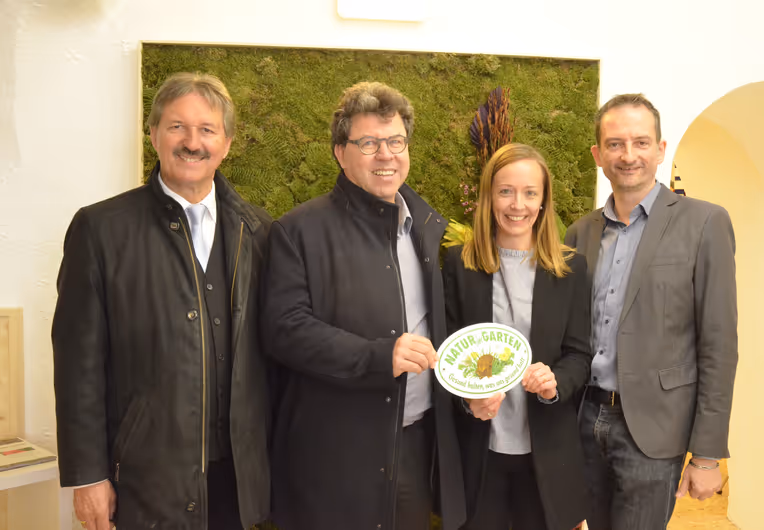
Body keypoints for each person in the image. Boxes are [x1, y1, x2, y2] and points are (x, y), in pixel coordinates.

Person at [52, 72, 273, 530]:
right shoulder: (100, 229)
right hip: (146, 480)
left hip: (237, 481)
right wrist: (88, 476)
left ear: (227, 143)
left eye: (207, 129)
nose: (192, 142)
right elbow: (77, 365)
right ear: (153, 135)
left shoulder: (259, 230)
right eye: (177, 127)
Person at [262, 81, 466, 530]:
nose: (385, 155)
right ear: (341, 152)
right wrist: (379, 356)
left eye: (396, 141)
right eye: (369, 143)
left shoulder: (426, 228)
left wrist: (472, 388)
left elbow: (441, 329)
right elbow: (284, 329)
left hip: (412, 448)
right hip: (333, 457)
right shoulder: (297, 231)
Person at [565, 93, 738, 529]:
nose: (628, 155)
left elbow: (718, 345)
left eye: (641, 142)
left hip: (654, 431)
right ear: (598, 155)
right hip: (584, 421)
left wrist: (707, 454)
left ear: (660, 150)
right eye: (615, 144)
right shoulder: (579, 233)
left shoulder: (704, 223)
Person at [442, 143, 591, 530]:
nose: (517, 205)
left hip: (546, 456)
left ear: (543, 201)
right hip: (479, 453)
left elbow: (579, 354)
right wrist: (468, 400)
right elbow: (447, 356)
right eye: (505, 191)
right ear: (489, 197)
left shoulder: (571, 269)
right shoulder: (460, 265)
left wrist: (554, 383)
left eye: (529, 193)